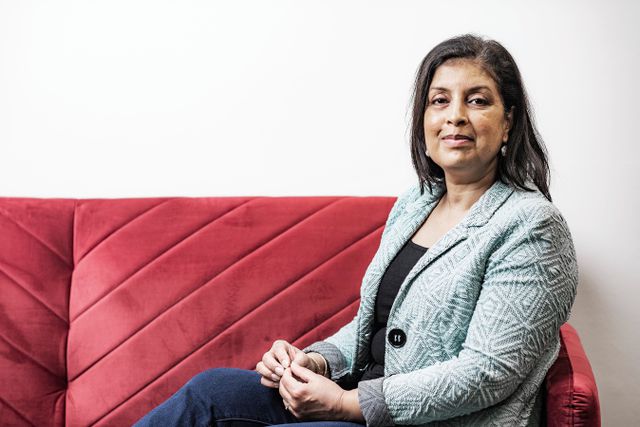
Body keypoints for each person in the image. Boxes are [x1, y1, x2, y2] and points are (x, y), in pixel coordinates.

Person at [134, 33, 578, 427]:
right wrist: (315, 362)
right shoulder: (416, 203)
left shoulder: (532, 225)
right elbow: (373, 326)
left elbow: (487, 373)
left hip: (431, 421)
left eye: (477, 101)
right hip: (361, 398)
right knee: (211, 391)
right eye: (439, 100)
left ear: (508, 122)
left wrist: (347, 404)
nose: (455, 116)